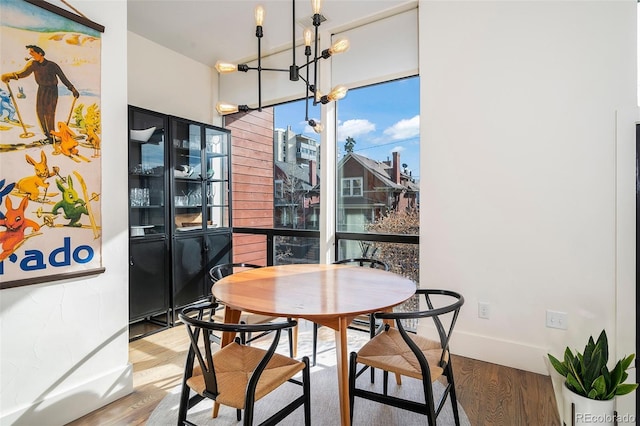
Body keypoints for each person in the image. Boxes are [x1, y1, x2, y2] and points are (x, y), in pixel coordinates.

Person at [1, 45, 79, 141]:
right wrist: (9, 76)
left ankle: (52, 136)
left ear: (40, 53)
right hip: (41, 90)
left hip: (51, 91)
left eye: (32, 52)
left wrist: (72, 89)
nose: (30, 54)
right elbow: (22, 73)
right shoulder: (33, 64)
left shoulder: (52, 65)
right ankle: (47, 135)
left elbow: (63, 78)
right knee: (40, 112)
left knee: (49, 114)